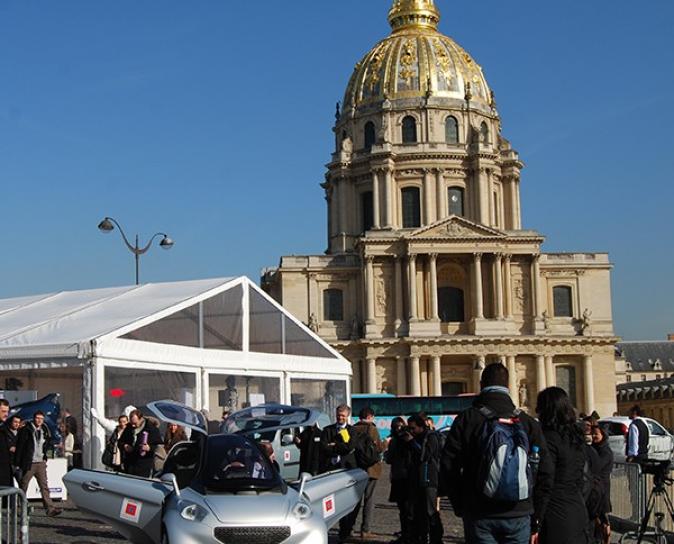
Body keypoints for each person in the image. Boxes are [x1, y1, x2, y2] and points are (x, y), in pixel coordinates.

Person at [441, 362, 553, 544]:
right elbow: (546, 472)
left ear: (481, 384)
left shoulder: (468, 419)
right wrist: (536, 513)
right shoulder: (527, 422)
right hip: (519, 511)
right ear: (509, 386)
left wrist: (460, 504)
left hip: (479, 511)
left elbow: (448, 466)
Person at [536, 387, 589, 544]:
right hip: (577, 507)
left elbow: (545, 481)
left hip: (554, 513)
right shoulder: (575, 437)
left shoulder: (547, 438)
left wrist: (536, 518)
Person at [320, 404, 357, 543]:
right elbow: (323, 448)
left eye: (343, 415)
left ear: (347, 416)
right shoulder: (327, 430)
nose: (340, 418)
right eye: (338, 415)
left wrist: (334, 446)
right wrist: (338, 448)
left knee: (346, 500)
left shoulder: (352, 431)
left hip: (347, 469)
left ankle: (345, 531)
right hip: (331, 469)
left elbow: (350, 447)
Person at [405, 413, 443, 544]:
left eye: (413, 428)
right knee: (417, 511)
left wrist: (412, 442)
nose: (411, 431)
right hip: (416, 479)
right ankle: (421, 537)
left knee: (430, 511)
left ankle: (436, 539)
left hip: (429, 479)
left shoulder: (431, 437)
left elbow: (425, 455)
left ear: (421, 427)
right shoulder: (416, 437)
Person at [15, 411, 62, 516]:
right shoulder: (26, 430)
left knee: (44, 486)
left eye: (41, 418)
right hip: (29, 462)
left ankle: (50, 509)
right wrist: (17, 462)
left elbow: (48, 443)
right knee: (23, 485)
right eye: (37, 418)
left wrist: (46, 456)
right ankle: (20, 508)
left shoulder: (44, 430)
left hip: (40, 462)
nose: (39, 420)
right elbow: (20, 446)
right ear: (34, 418)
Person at [351, 407, 387, 541]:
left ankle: (349, 528)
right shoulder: (372, 429)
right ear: (370, 416)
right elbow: (378, 448)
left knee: (354, 500)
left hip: (355, 469)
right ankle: (365, 529)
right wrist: (386, 443)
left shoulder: (353, 428)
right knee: (369, 499)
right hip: (371, 469)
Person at [386, 417, 414, 544]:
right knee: (405, 510)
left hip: (404, 477)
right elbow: (390, 459)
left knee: (406, 510)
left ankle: (408, 535)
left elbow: (389, 459)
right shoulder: (399, 441)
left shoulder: (401, 441)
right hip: (403, 477)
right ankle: (407, 534)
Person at [119, 409, 162, 478]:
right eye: (131, 422)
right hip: (130, 464)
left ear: (141, 419)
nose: (133, 425)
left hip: (144, 465)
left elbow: (159, 446)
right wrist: (125, 446)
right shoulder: (129, 428)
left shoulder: (151, 429)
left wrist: (150, 448)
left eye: (135, 423)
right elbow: (120, 441)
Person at [591, 425, 613, 544]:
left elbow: (598, 466)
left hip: (602, 488)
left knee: (603, 517)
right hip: (595, 487)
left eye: (596, 434)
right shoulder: (594, 448)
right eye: (593, 434)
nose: (594, 436)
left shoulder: (605, 451)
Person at [0, 399, 13, 488]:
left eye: (7, 411)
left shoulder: (5, 427)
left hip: (6, 472)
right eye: (3, 411)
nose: (6, 414)